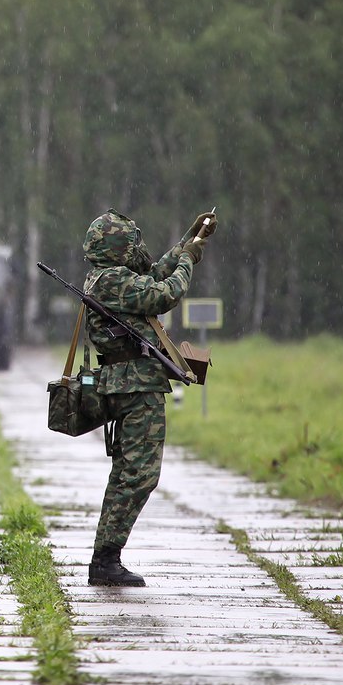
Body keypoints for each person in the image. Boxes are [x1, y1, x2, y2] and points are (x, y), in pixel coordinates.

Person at [80, 208, 216, 586]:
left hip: (129, 383)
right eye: (131, 243)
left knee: (129, 472)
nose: (137, 248)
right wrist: (188, 261)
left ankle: (105, 557)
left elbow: (152, 276)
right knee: (138, 474)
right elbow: (165, 293)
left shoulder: (108, 278)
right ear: (119, 248)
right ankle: (105, 560)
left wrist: (186, 243)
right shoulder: (112, 281)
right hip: (136, 387)